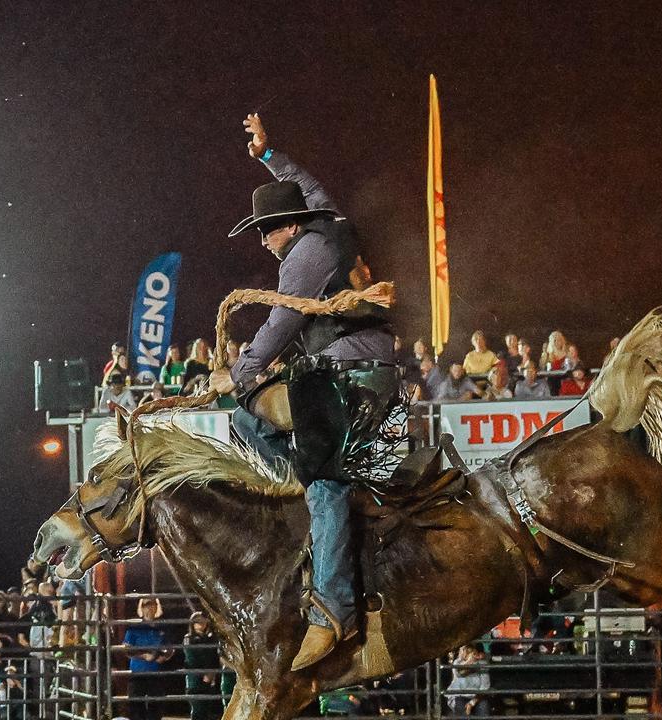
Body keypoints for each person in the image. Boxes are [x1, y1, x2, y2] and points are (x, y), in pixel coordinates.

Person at [211, 113, 398, 670]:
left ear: (287, 226)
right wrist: (270, 155)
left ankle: (335, 606)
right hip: (353, 366)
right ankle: (313, 503)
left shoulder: (306, 258)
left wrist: (239, 372)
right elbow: (314, 187)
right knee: (248, 420)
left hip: (348, 373)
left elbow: (281, 325)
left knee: (319, 473)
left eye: (265, 230)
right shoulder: (329, 224)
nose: (263, 242)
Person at [125, 597, 173, 720]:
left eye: (152, 604)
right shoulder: (134, 627)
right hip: (137, 673)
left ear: (157, 607)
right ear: (141, 608)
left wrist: (164, 657)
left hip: (156, 673)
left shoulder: (162, 628)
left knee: (156, 708)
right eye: (146, 605)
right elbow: (127, 650)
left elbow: (170, 648)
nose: (149, 608)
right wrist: (144, 656)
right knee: (136, 707)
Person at [184, 612, 221, 720]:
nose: (201, 623)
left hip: (209, 678)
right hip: (195, 680)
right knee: (198, 709)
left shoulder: (209, 639)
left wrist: (212, 673)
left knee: (207, 709)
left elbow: (214, 657)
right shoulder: (189, 638)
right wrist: (204, 674)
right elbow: (192, 658)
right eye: (198, 621)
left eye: (203, 620)